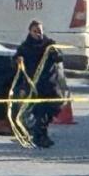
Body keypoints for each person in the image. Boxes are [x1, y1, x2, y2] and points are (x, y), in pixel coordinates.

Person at [13, 20, 66, 149]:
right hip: (34, 84)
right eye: (35, 31)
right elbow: (15, 61)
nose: (38, 34)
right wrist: (18, 60)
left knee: (56, 105)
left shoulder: (49, 45)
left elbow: (60, 57)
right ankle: (41, 136)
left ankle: (40, 132)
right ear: (30, 32)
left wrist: (56, 54)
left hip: (50, 82)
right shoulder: (25, 47)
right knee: (40, 110)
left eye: (40, 31)